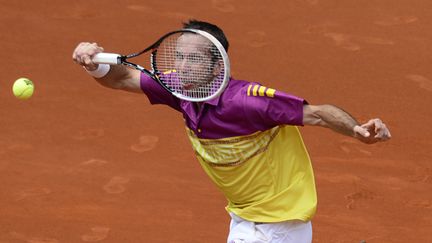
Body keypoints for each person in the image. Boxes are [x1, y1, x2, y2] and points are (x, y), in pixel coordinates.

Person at [72, 19, 391, 243]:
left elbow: (318, 113)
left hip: (277, 223)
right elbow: (121, 79)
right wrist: (94, 64)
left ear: (217, 66)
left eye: (193, 59)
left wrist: (358, 130)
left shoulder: (248, 102)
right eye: (179, 57)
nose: (182, 66)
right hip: (244, 217)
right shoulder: (179, 89)